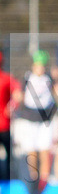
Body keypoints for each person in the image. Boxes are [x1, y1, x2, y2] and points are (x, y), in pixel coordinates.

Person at [11, 50, 57, 194]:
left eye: (43, 65)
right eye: (38, 65)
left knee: (45, 151)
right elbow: (19, 95)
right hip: (29, 119)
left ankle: (43, 184)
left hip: (44, 120)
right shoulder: (27, 78)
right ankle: (33, 182)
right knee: (32, 153)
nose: (40, 68)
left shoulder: (49, 78)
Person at [0, 49, 17, 184]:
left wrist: (11, 106)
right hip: (4, 125)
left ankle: (6, 183)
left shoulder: (6, 78)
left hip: (4, 125)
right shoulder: (6, 78)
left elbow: (18, 94)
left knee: (9, 158)